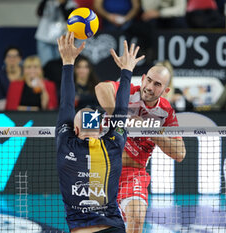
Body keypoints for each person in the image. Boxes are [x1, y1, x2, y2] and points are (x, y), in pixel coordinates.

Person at [56, 31, 144, 233]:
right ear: (101, 128)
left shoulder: (65, 142)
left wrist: (68, 61)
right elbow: (121, 110)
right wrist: (127, 70)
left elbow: (66, 103)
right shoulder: (112, 144)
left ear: (74, 129)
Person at [95, 64, 186, 232]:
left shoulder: (166, 112)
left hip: (132, 173)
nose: (150, 87)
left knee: (137, 216)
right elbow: (101, 88)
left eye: (157, 84)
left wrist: (150, 131)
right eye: (149, 81)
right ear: (143, 78)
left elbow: (180, 153)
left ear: (166, 90)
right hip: (101, 169)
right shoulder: (129, 92)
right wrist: (123, 119)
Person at [35, 0, 77, 66]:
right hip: (44, 37)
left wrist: (61, 4)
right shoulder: (47, 2)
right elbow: (39, 13)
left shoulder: (71, 4)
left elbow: (68, 18)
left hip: (61, 39)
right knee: (45, 64)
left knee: (60, 64)